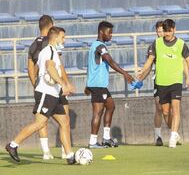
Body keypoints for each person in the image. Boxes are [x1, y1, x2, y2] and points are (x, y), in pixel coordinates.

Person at [6, 27, 76, 164]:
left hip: (54, 94)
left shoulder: (52, 52)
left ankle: (69, 156)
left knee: (65, 121)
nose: (64, 40)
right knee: (40, 123)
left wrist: (61, 86)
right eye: (63, 37)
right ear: (55, 38)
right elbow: (49, 68)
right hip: (46, 92)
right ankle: (13, 145)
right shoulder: (49, 51)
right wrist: (64, 84)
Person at [138, 19, 189, 148]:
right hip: (161, 82)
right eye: (165, 31)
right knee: (165, 111)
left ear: (174, 29)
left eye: (169, 31)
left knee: (176, 109)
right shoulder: (157, 43)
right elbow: (150, 61)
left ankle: (172, 136)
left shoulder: (181, 44)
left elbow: (188, 62)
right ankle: (175, 132)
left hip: (176, 81)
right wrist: (142, 71)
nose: (166, 33)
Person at [27, 15, 72, 160]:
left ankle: (46, 152)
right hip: (55, 88)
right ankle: (66, 151)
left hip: (40, 87)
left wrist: (36, 85)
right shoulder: (51, 44)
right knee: (64, 120)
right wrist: (65, 83)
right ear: (50, 26)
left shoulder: (33, 45)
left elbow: (30, 69)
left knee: (42, 121)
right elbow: (59, 66)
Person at [85, 21, 134, 148]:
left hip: (99, 85)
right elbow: (110, 61)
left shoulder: (95, 45)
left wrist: (87, 84)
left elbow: (91, 66)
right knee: (98, 112)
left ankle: (106, 138)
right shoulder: (100, 46)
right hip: (97, 86)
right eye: (109, 32)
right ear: (101, 32)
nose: (111, 35)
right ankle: (92, 141)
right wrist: (125, 73)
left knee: (111, 106)